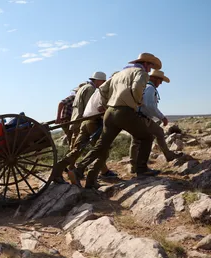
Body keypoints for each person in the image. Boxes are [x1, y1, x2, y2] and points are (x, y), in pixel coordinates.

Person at [69, 53, 163, 189]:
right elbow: (137, 87)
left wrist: (109, 103)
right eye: (151, 65)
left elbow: (102, 89)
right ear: (146, 63)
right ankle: (142, 170)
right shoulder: (141, 73)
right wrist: (137, 101)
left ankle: (79, 169)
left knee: (102, 145)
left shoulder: (120, 73)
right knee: (147, 137)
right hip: (125, 112)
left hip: (110, 112)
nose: (150, 69)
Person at [53, 74, 118, 184]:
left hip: (82, 121)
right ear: (99, 80)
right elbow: (99, 108)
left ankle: (58, 170)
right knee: (101, 151)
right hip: (93, 121)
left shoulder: (90, 89)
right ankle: (87, 177)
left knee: (76, 149)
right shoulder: (94, 89)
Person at [129, 70, 181, 173]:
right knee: (146, 138)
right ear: (155, 79)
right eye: (160, 80)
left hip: (138, 117)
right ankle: (139, 166)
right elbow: (150, 105)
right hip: (143, 118)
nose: (160, 83)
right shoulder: (150, 88)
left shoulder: (144, 87)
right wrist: (162, 117)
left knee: (139, 140)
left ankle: (134, 166)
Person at [68, 72, 107, 147]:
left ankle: (69, 158)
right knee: (96, 143)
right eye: (103, 81)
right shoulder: (91, 89)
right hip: (83, 119)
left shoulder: (83, 87)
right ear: (98, 80)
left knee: (76, 145)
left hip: (76, 119)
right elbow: (89, 106)